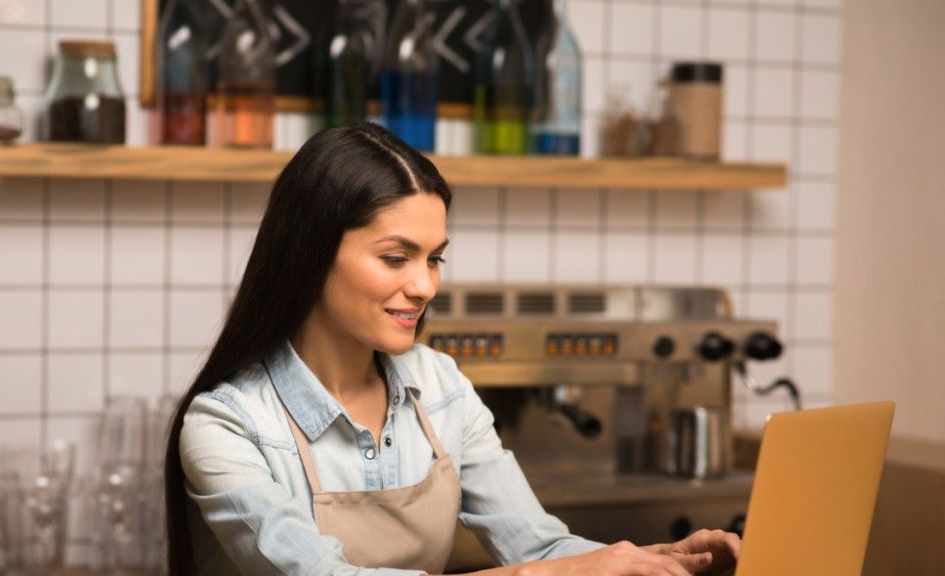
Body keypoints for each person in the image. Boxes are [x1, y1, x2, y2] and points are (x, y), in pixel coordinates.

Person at [163, 122, 740, 576]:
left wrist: (663, 559)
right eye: (396, 258)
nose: (425, 285)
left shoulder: (440, 388)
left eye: (434, 258)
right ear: (309, 253)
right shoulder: (227, 426)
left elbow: (538, 546)